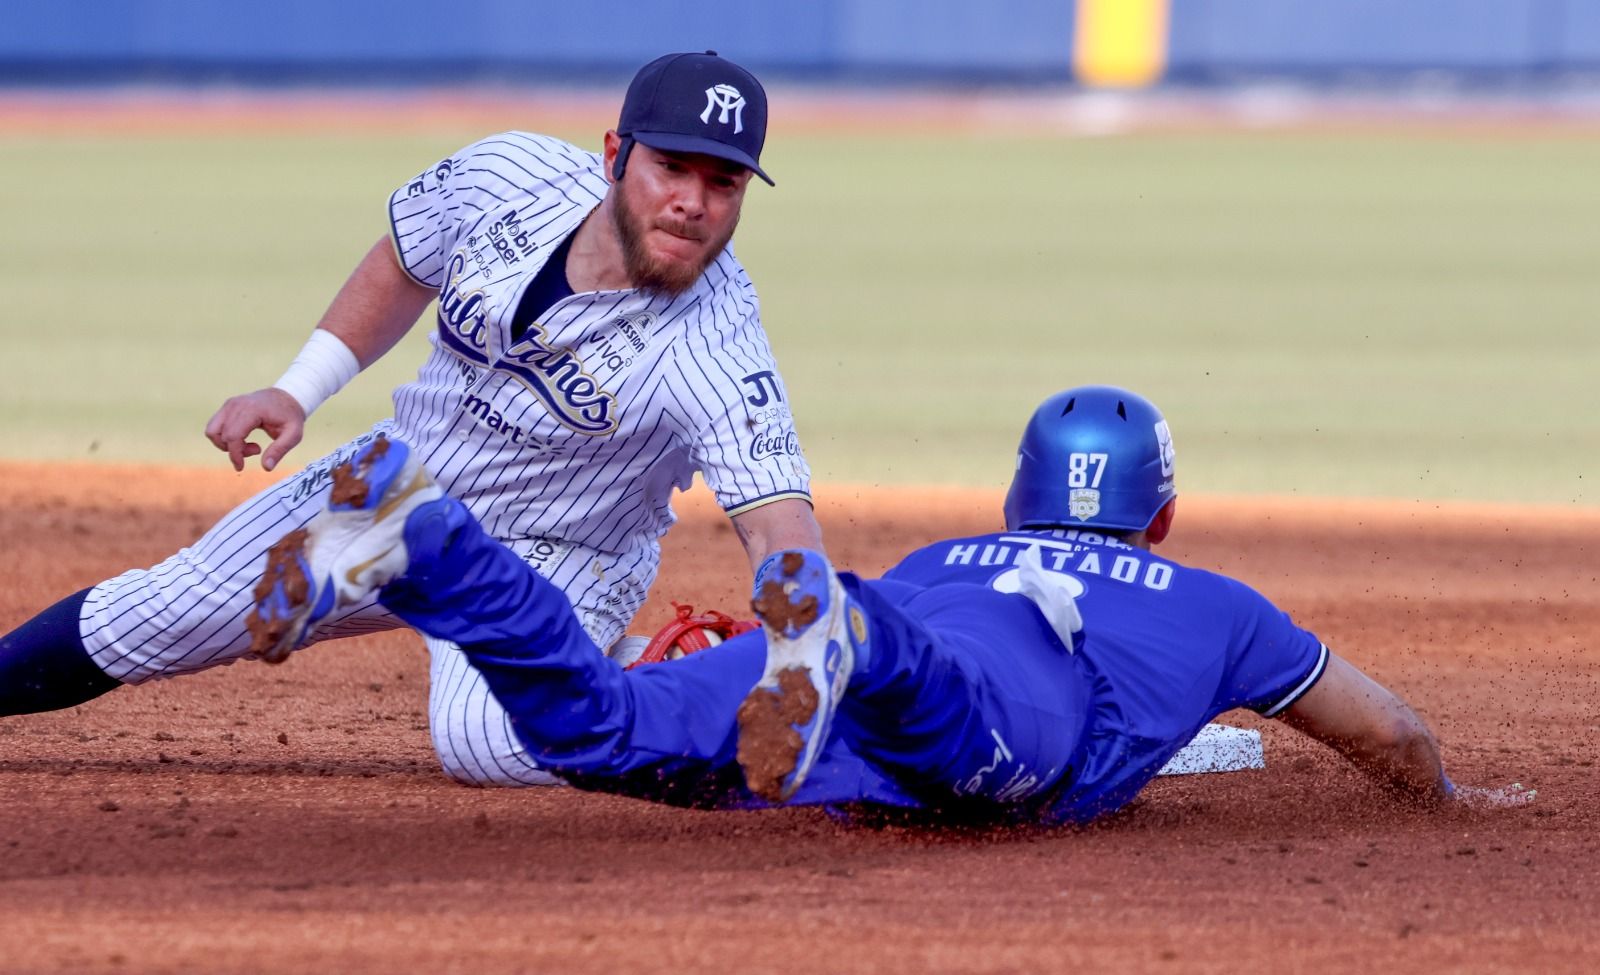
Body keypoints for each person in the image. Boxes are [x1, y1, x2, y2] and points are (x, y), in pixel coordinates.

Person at [0, 51, 825, 788]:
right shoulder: (510, 177)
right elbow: (402, 261)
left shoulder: (718, 344)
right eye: (671, 168)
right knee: (161, 612)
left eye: (723, 183)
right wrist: (296, 390)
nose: (692, 202)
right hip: (397, 490)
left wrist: (803, 662)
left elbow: (778, 522)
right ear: (615, 155)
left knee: (488, 741)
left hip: (560, 554)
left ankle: (666, 677)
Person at [252, 386, 1530, 821]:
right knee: (972, 730)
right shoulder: (1216, 603)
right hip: (978, 694)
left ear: (1016, 495)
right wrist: (1447, 807)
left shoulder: (949, 551)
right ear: (1162, 516)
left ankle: (431, 544)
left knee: (594, 729)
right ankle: (844, 636)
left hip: (869, 643)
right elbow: (1389, 735)